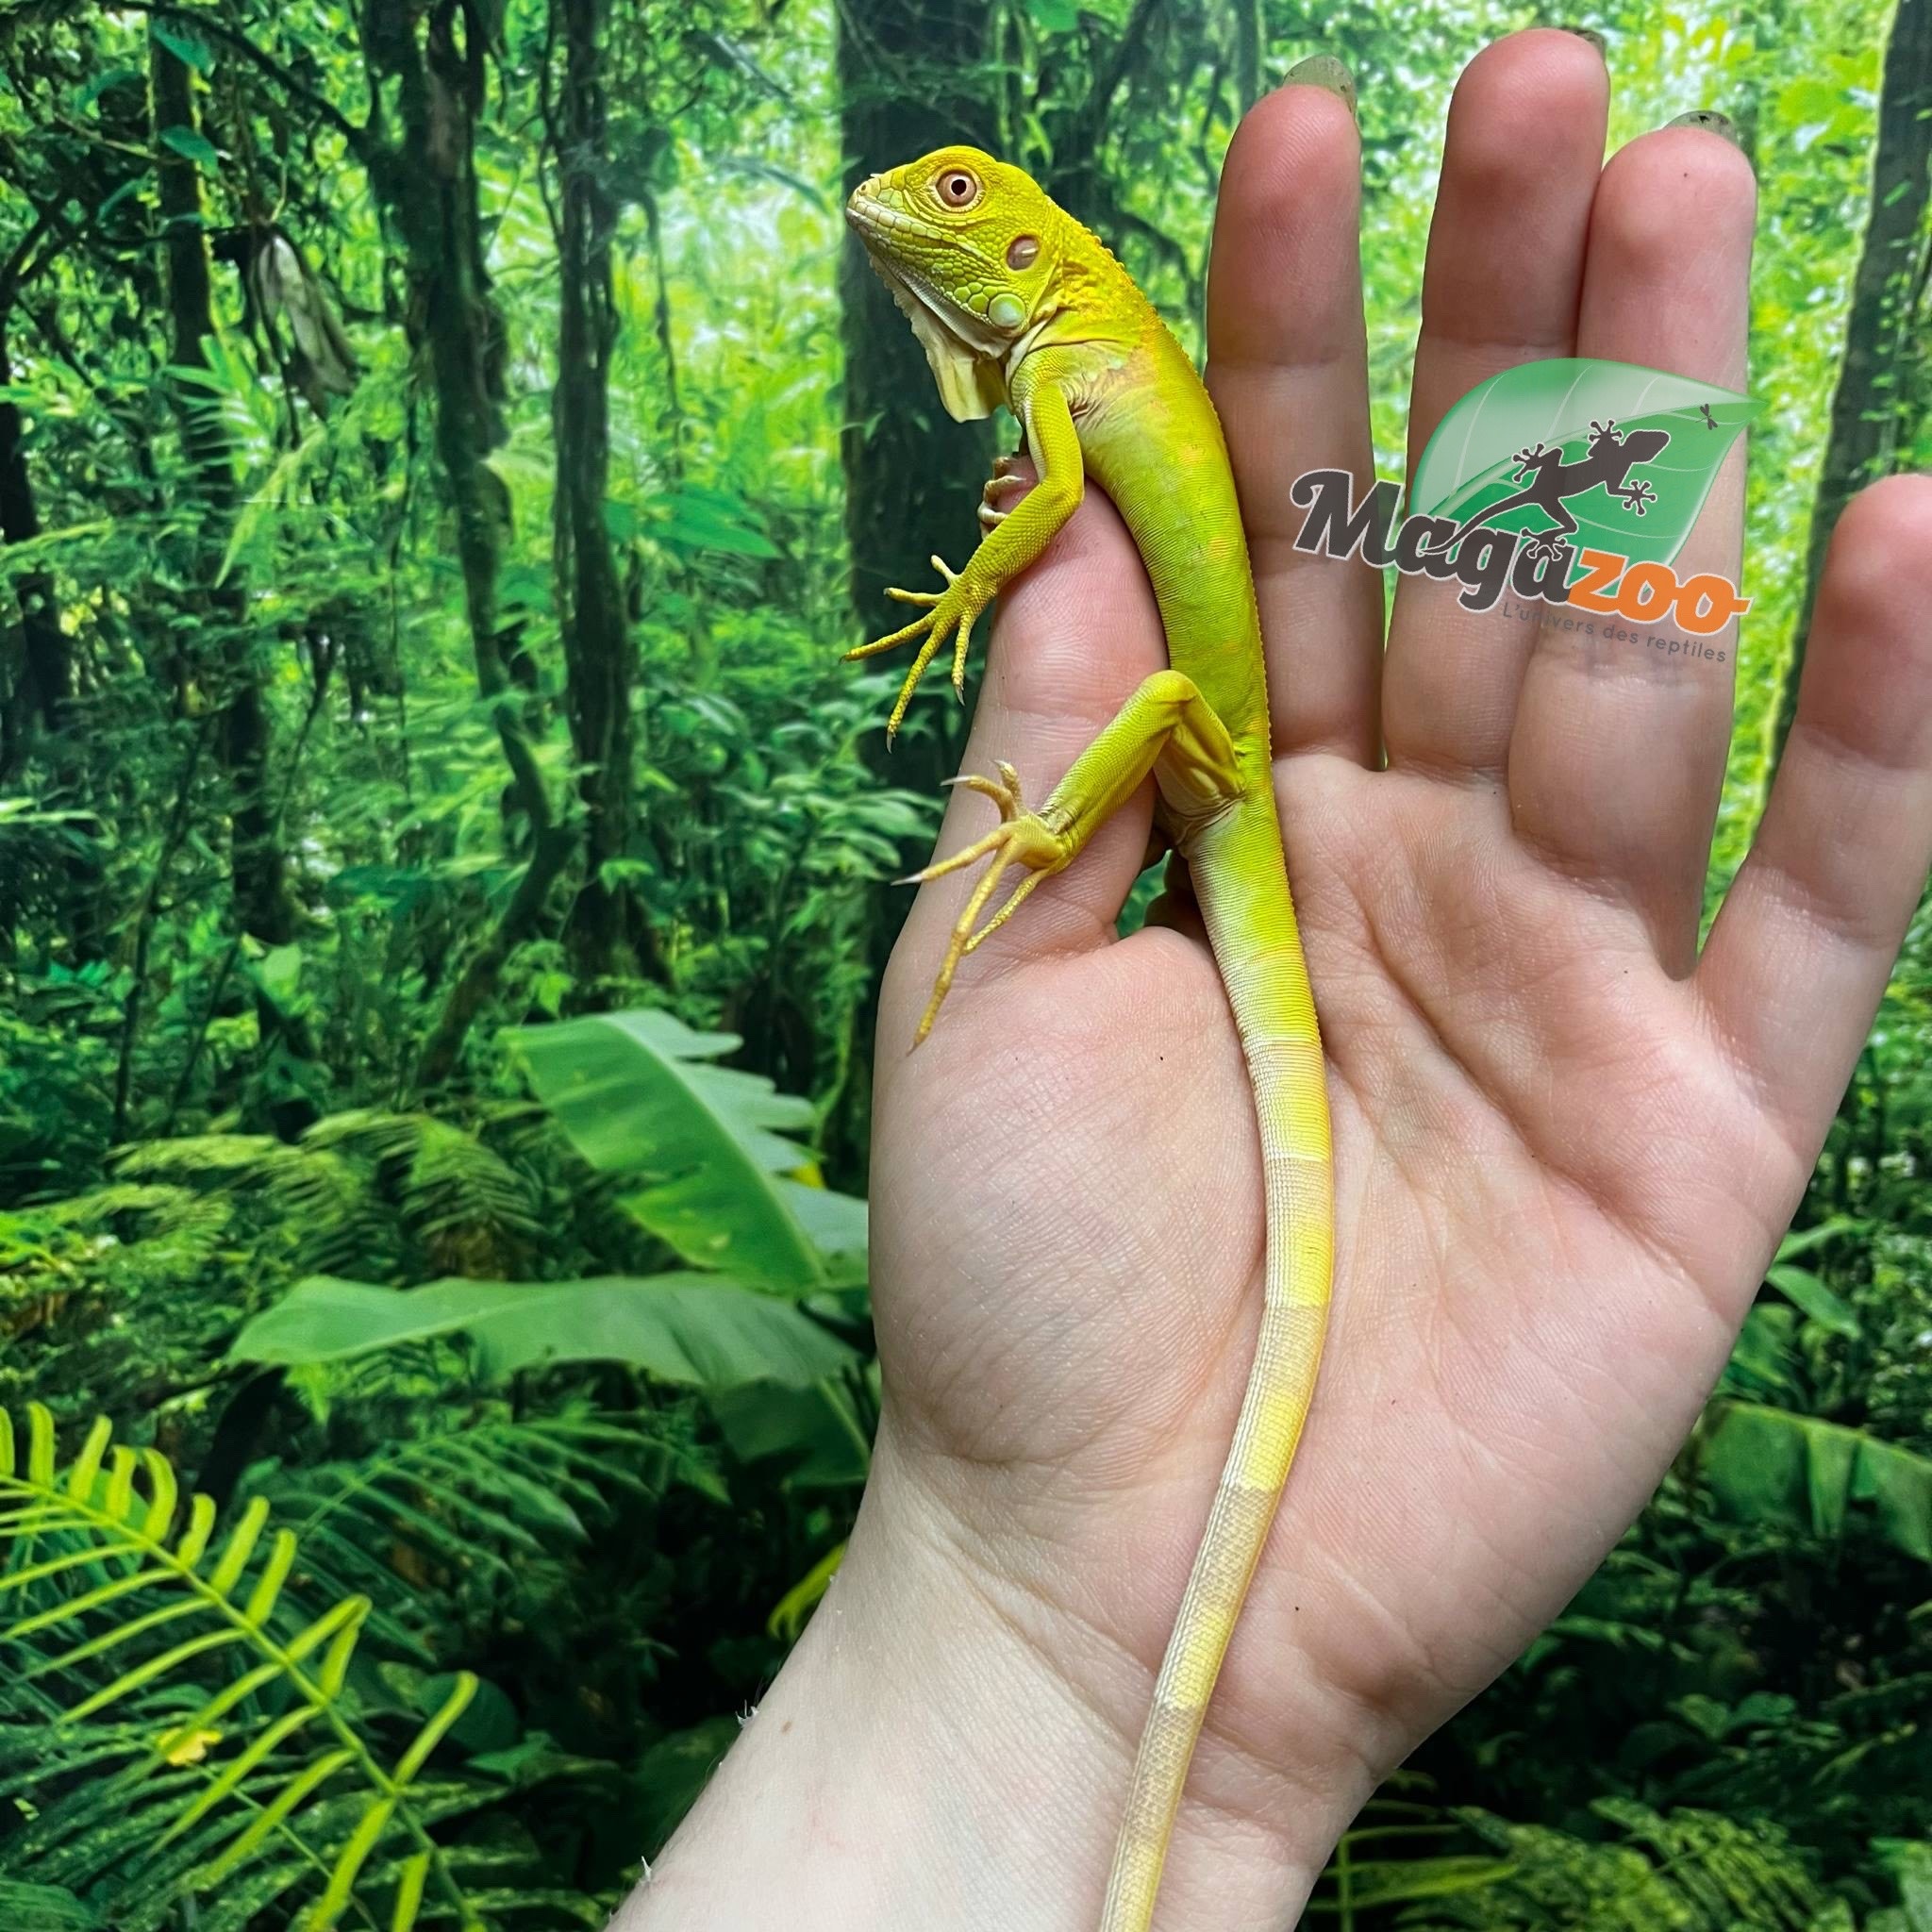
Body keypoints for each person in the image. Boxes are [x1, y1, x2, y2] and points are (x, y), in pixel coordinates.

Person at [622, 28, 1932, 1929]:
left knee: (1135, 677)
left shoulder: (1075, 359)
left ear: (1035, 243)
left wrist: (973, 599)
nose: (924, 206)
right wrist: (1009, 1628)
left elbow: (1048, 520)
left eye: (963, 191)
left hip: (1206, 751)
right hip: (1220, 783)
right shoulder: (1062, 349)